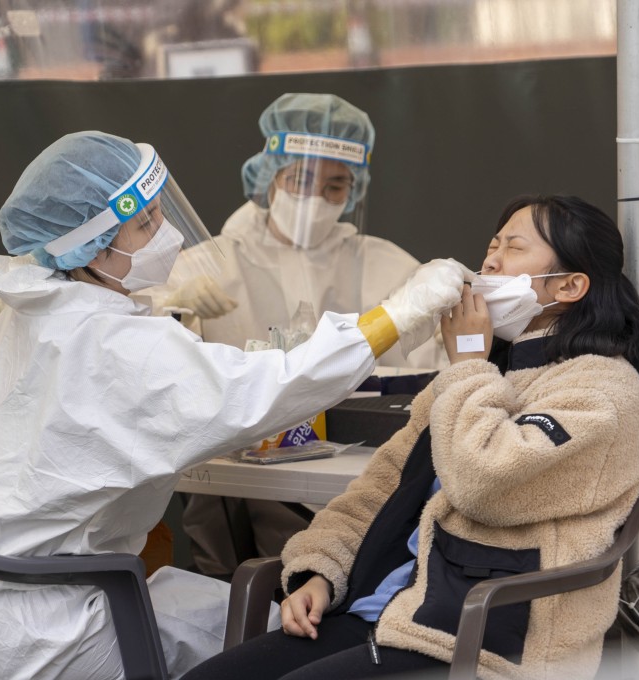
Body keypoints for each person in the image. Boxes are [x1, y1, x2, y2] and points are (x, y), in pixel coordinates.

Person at [0, 130, 470, 680]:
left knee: (238, 612)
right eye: (144, 224)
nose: (165, 230)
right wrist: (402, 312)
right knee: (285, 641)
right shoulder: (111, 343)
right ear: (89, 246)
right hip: (34, 636)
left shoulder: (27, 322)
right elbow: (272, 388)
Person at [182, 194, 639, 680]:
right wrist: (318, 570)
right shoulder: (481, 374)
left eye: (514, 248)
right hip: (383, 612)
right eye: (491, 245)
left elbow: (484, 482)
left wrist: (470, 363)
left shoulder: (603, 388)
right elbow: (381, 486)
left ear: (570, 285)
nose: (490, 260)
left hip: (476, 640)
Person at [145, 93, 445, 579]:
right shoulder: (212, 262)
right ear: (270, 175)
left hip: (351, 463)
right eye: (300, 179)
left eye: (335, 185)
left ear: (355, 190)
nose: (315, 198)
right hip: (239, 470)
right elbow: (125, 331)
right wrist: (171, 304)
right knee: (237, 577)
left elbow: (431, 360)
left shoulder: (384, 262)